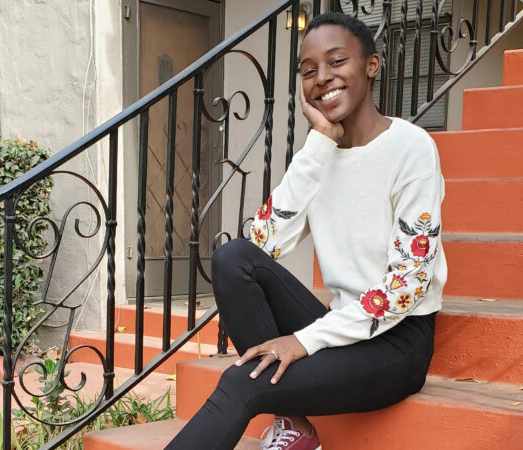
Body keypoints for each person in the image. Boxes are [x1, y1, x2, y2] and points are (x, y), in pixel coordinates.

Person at [166, 11, 446, 450]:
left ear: (371, 65)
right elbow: (259, 244)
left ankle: (287, 417)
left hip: (397, 342)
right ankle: (294, 424)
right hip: (341, 326)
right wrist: (319, 143)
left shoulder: (411, 149)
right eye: (309, 69)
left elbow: (406, 287)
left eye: (337, 62)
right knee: (232, 258)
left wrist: (302, 340)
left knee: (244, 382)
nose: (322, 78)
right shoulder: (320, 155)